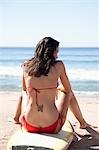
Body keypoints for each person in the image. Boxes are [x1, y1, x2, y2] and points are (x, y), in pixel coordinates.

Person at [10, 37, 89, 133]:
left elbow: (25, 89)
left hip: (29, 125)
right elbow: (67, 89)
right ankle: (82, 123)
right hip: (53, 126)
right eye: (56, 52)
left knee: (23, 93)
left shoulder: (26, 65)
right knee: (69, 93)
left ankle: (15, 118)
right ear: (50, 52)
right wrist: (57, 88)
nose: (57, 56)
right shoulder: (59, 65)